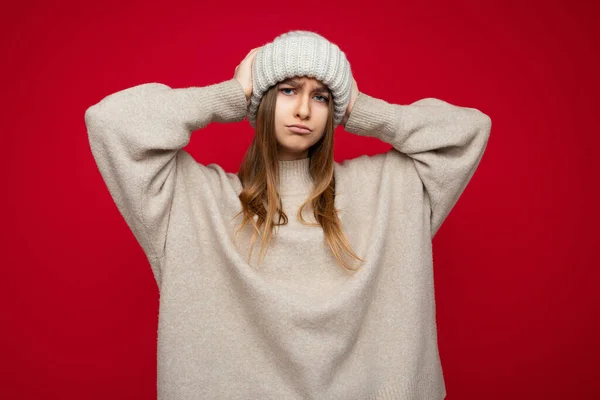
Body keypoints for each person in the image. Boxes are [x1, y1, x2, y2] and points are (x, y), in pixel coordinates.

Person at [85, 30, 491, 400]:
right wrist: (232, 92)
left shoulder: (385, 189)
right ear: (261, 99)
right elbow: (111, 123)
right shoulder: (196, 200)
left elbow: (467, 131)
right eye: (287, 89)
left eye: (321, 97)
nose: (303, 109)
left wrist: (361, 108)